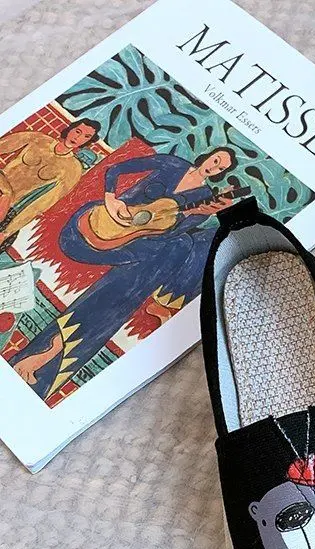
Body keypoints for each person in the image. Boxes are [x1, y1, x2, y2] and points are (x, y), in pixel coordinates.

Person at [10, 147, 237, 398]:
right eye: (216, 160)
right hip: (95, 226)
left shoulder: (203, 197)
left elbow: (165, 233)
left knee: (175, 249)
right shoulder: (172, 164)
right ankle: (53, 353)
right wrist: (111, 197)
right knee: (172, 252)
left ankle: (50, 355)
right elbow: (116, 169)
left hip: (134, 247)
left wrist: (192, 213)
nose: (214, 167)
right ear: (209, 155)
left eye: (221, 168)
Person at [0, 118, 100, 246]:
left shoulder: (73, 169)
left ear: (88, 141)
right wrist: (6, 192)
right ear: (70, 129)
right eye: (77, 131)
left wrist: (7, 232)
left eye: (86, 136)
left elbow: (41, 205)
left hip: (14, 209)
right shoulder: (39, 139)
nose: (78, 138)